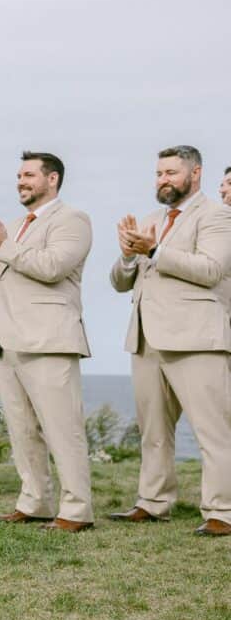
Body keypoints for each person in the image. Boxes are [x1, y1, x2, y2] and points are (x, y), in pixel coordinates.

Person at [0, 151, 94, 532]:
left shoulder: (73, 220)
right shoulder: (15, 226)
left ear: (52, 179)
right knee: (23, 431)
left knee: (63, 431)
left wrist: (4, 245)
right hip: (10, 342)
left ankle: (77, 510)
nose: (21, 181)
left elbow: (52, 267)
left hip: (51, 341)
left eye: (29, 175)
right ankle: (35, 501)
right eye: (19, 175)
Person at [109, 145, 231, 536]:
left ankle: (222, 511)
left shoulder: (218, 216)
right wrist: (128, 255)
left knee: (214, 431)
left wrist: (156, 250)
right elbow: (120, 281)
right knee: (154, 431)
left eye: (171, 173)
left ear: (195, 174)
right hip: (147, 339)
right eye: (158, 173)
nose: (162, 180)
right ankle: (153, 501)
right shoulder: (150, 220)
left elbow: (211, 269)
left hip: (197, 338)